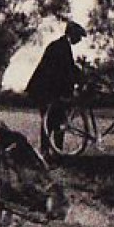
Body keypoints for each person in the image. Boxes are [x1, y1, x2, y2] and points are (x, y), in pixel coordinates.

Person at [25, 19, 87, 154]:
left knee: (56, 121)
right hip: (46, 90)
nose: (80, 40)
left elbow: (69, 68)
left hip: (49, 89)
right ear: (73, 34)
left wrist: (81, 75)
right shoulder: (60, 47)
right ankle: (48, 152)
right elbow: (62, 72)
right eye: (79, 37)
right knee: (51, 122)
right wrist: (71, 88)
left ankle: (55, 151)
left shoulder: (62, 45)